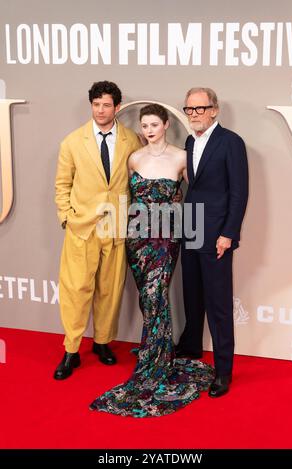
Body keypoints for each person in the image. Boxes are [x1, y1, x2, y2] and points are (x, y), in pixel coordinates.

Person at [89, 103, 214, 417]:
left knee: (155, 294)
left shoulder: (181, 157)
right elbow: (125, 197)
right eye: (144, 126)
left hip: (166, 238)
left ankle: (156, 362)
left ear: (167, 124)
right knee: (148, 299)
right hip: (137, 237)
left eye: (154, 125)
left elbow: (198, 194)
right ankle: (154, 347)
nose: (148, 131)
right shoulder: (134, 159)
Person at [54, 81, 141, 380]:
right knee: (76, 290)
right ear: (91, 105)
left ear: (117, 107)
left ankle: (103, 342)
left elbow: (137, 180)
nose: (100, 110)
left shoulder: (133, 140)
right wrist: (66, 217)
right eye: (96, 104)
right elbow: (62, 184)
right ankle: (71, 350)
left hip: (115, 227)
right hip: (82, 227)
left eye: (106, 105)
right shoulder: (72, 142)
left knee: (110, 289)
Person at [176, 87, 249, 397]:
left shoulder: (231, 142)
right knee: (191, 296)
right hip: (190, 229)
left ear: (215, 110)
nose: (194, 114)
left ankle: (223, 371)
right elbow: (194, 187)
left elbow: (239, 192)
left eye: (200, 108)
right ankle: (191, 347)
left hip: (217, 234)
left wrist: (229, 234)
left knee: (218, 306)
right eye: (190, 109)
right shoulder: (190, 141)